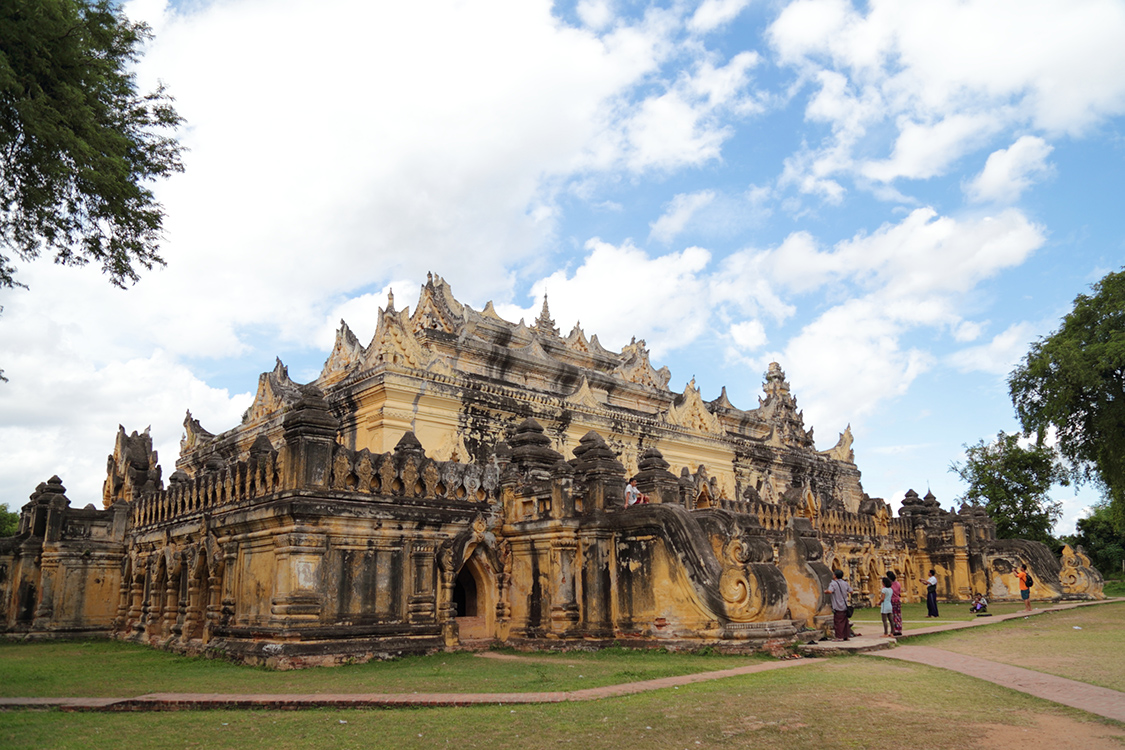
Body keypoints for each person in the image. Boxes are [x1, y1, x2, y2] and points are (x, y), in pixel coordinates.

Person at [825, 570, 852, 641]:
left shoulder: (833, 583)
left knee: (838, 622)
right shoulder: (845, 583)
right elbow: (851, 591)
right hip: (844, 605)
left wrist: (826, 591)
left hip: (837, 605)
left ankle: (839, 637)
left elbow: (830, 591)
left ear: (835, 576)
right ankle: (846, 636)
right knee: (845, 621)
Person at [887, 571, 903, 636]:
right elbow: (899, 592)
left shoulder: (889, 585)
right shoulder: (898, 584)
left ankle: (894, 630)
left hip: (891, 601)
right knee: (898, 615)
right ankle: (898, 629)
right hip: (897, 601)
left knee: (892, 616)